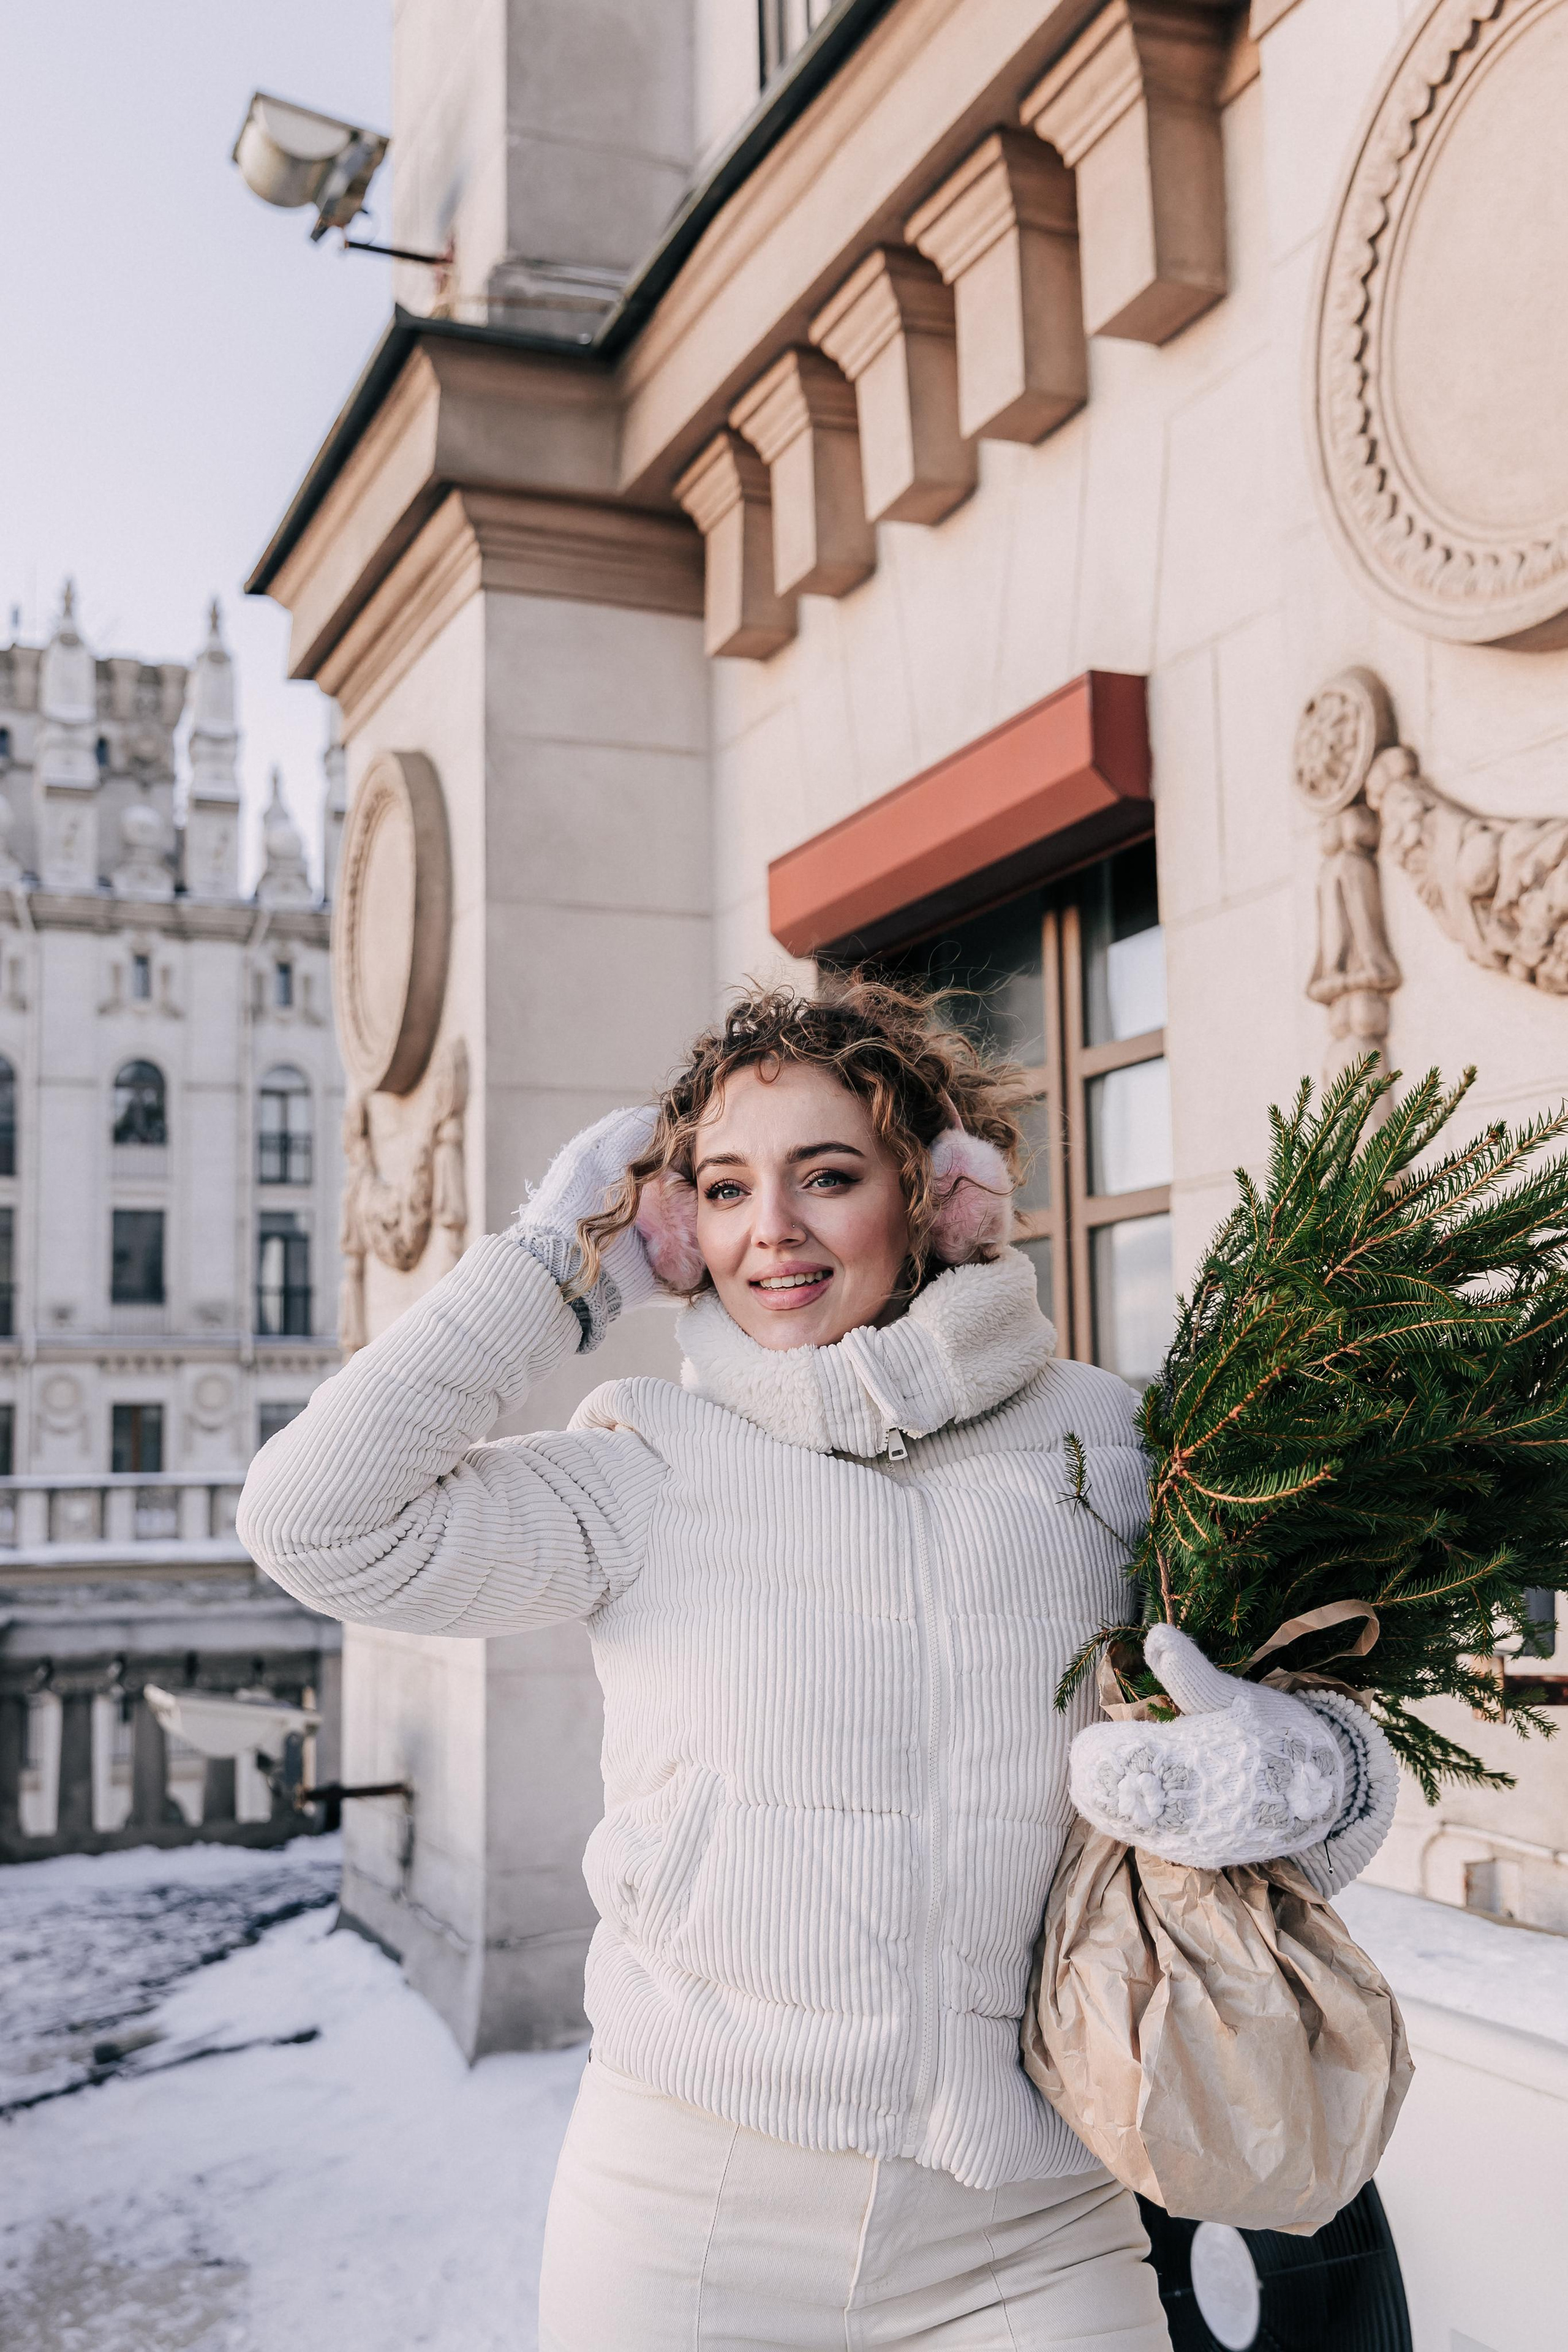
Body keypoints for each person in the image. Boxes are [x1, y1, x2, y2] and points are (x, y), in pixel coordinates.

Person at [238, 981, 1396, 2351]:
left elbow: (1344, 1747)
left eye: (826, 1176)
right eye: (722, 1191)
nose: (769, 1233)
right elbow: (312, 1521)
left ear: (938, 1194)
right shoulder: (643, 1463)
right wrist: (552, 1272)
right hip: (687, 2212)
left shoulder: (1117, 1448)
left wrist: (1300, 1775)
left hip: (1027, 2220)